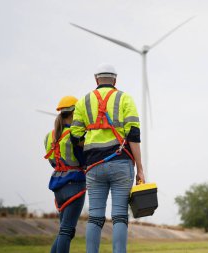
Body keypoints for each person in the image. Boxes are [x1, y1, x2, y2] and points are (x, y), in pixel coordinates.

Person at [70, 63, 145, 253]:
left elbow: (75, 137)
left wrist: (90, 151)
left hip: (94, 166)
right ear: (115, 80)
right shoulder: (125, 99)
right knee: (120, 215)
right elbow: (134, 135)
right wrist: (140, 168)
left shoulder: (83, 102)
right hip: (122, 162)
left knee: (95, 217)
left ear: (96, 80)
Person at [44, 96, 86, 253]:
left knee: (63, 231)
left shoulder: (49, 136)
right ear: (74, 113)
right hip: (75, 184)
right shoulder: (74, 135)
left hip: (58, 186)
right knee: (67, 231)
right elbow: (83, 159)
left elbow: (52, 162)